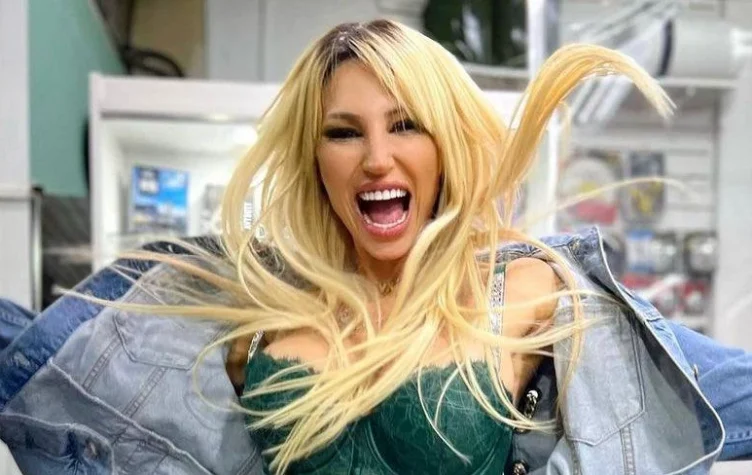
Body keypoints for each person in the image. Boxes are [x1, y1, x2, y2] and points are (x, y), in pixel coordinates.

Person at [1, 19, 752, 475]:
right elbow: (39, 364)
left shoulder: (527, 294)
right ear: (315, 158)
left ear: (444, 143)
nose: (376, 159)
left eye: (405, 125)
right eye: (344, 132)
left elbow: (724, 391)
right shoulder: (258, 313)